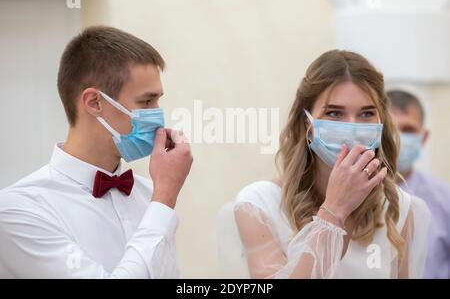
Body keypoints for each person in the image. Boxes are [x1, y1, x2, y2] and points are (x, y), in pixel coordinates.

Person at [0, 26, 193, 278]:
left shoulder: (148, 195)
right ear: (94, 103)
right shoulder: (19, 209)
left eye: (157, 101)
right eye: (146, 102)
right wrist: (165, 198)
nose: (157, 116)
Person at [218, 50, 430, 279]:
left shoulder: (398, 209)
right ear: (306, 123)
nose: (352, 128)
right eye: (334, 113)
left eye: (366, 113)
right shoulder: (259, 205)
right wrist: (335, 211)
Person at [388, 90, 450, 279]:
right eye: (390, 128)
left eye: (408, 130)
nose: (397, 137)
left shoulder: (444, 199)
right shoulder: (351, 196)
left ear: (423, 138)